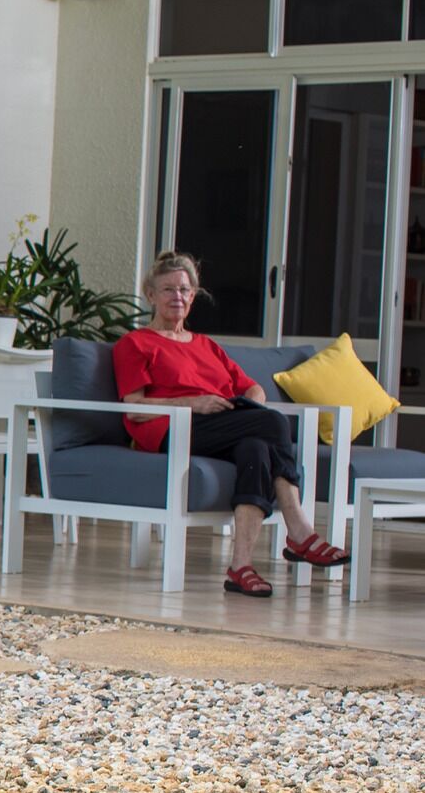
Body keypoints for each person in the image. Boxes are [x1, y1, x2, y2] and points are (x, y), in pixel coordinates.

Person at [112, 251, 348, 597]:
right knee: (274, 425)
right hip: (173, 428)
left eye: (184, 289)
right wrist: (192, 403)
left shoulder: (206, 345)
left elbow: (252, 387)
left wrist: (248, 408)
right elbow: (133, 408)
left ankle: (240, 566)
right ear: (151, 295)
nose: (177, 297)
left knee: (256, 446)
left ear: (193, 295)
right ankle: (298, 529)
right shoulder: (135, 343)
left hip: (220, 422)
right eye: (167, 290)